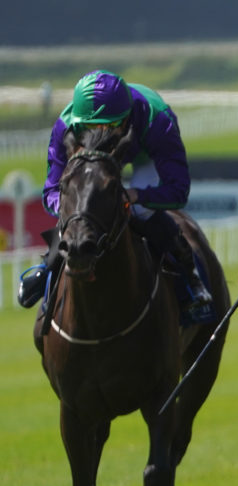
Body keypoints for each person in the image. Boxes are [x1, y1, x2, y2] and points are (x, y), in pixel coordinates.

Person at [18, 69, 212, 314]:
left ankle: (189, 274)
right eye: (90, 127)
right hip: (90, 159)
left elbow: (177, 190)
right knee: (79, 205)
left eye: (110, 126)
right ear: (79, 123)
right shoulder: (66, 127)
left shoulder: (156, 121)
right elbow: (51, 192)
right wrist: (73, 205)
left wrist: (136, 195)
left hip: (143, 150)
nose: (101, 135)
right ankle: (47, 267)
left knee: (140, 211)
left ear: (127, 118)